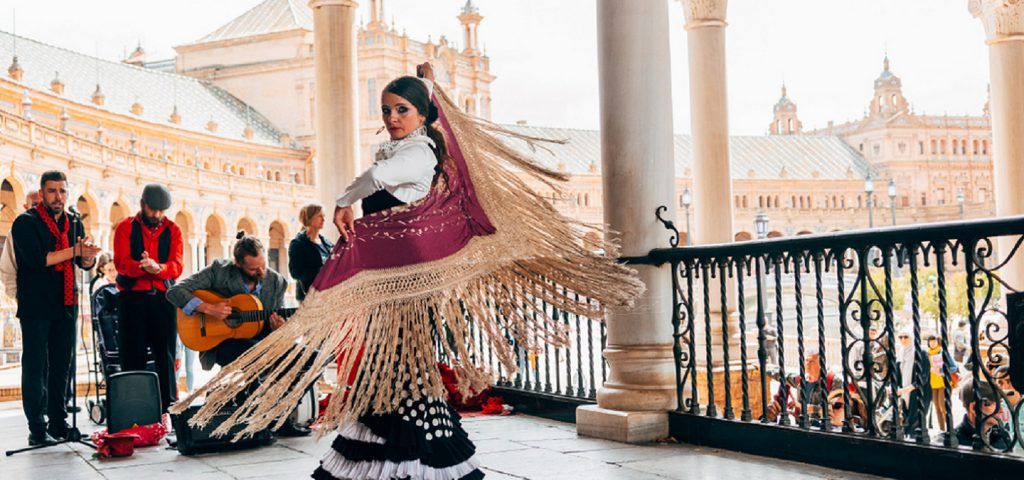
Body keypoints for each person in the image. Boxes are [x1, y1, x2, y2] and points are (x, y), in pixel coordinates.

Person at [170, 62, 641, 479]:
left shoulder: (417, 153)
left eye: (402, 110)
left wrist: (342, 201)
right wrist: (429, 86)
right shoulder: (401, 150)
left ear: (420, 117)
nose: (391, 118)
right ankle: (390, 457)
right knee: (390, 370)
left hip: (406, 290)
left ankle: (413, 459)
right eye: (386, 110)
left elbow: (378, 181)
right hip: (390, 288)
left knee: (402, 367)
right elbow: (386, 173)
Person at [165, 232, 308, 436]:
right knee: (257, 354)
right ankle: (254, 410)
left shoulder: (276, 281)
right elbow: (174, 292)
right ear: (238, 264)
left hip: (261, 342)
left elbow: (277, 321)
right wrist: (208, 308)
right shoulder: (219, 271)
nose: (261, 271)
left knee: (307, 356)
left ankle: (279, 415)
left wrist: (279, 327)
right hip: (223, 344)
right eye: (253, 268)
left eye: (263, 264)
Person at [12, 171, 99, 445]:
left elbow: (82, 264)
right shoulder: (25, 223)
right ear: (41, 193)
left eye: (62, 191)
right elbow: (38, 260)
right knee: (36, 366)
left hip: (66, 303)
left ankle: (59, 423)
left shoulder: (75, 223)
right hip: (36, 305)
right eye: (52, 191)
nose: (58, 197)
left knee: (63, 365)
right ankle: (36, 429)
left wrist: (87, 257)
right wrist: (75, 251)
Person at [113, 184, 184, 413]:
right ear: (143, 204)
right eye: (153, 210)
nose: (157, 215)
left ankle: (168, 409)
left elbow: (177, 266)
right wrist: (144, 267)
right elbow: (121, 264)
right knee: (132, 355)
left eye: (162, 211)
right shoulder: (125, 227)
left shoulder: (174, 231)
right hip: (132, 300)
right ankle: (134, 408)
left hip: (163, 300)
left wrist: (158, 268)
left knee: (165, 355)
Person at [288, 203, 334, 302]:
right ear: (309, 218)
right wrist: (322, 270)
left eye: (324, 216)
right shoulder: (298, 244)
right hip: (308, 298)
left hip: (327, 295)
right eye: (319, 216)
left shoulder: (327, 243)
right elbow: (295, 273)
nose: (323, 219)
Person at [1, 190, 40, 300]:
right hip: (30, 302)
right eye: (35, 205)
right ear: (26, 206)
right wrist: (19, 296)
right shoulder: (16, 232)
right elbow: (7, 268)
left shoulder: (58, 232)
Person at [953, 381, 1013, 450]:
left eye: (1000, 403)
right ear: (974, 408)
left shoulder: (1002, 435)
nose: (1001, 410)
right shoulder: (953, 442)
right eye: (994, 404)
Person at [895, 328, 931, 437]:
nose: (903, 339)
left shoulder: (921, 353)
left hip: (919, 393)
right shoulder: (901, 353)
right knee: (907, 421)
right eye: (900, 337)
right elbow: (897, 374)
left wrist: (909, 388)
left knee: (916, 424)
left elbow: (924, 376)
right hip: (905, 394)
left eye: (906, 337)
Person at [926, 333, 959, 432]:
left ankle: (950, 430)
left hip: (944, 383)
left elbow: (954, 367)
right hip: (932, 384)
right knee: (937, 408)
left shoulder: (943, 352)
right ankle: (942, 430)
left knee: (943, 407)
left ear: (938, 342)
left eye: (934, 341)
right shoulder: (927, 353)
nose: (932, 343)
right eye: (930, 341)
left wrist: (941, 371)